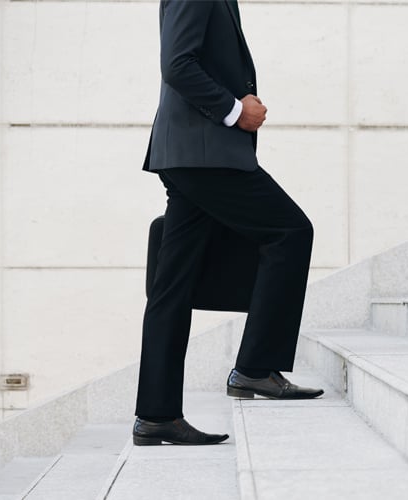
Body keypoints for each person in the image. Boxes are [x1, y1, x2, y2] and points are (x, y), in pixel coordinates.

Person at [132, 0, 323, 447]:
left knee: (171, 285)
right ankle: (255, 368)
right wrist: (236, 111)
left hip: (192, 154)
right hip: (204, 155)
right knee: (290, 231)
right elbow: (177, 63)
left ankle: (156, 415)